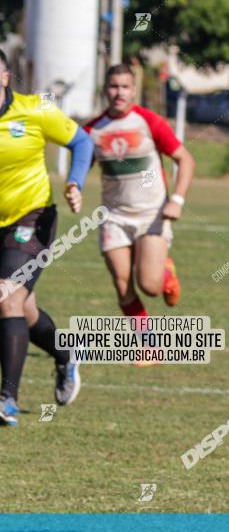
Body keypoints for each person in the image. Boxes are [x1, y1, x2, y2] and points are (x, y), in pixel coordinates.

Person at [0, 48, 94, 425]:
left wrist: (76, 181)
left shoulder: (35, 110)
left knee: (6, 297)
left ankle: (7, 398)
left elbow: (82, 142)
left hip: (33, 218)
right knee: (23, 309)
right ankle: (66, 353)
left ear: (5, 77)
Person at [84, 64, 194, 340]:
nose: (118, 92)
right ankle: (147, 344)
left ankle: (166, 275)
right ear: (105, 89)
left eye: (124, 87)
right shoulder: (92, 130)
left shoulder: (150, 121)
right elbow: (80, 168)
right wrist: (74, 187)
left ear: (133, 90)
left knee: (150, 286)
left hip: (151, 214)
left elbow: (185, 160)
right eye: (113, 86)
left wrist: (177, 200)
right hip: (114, 217)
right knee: (122, 285)